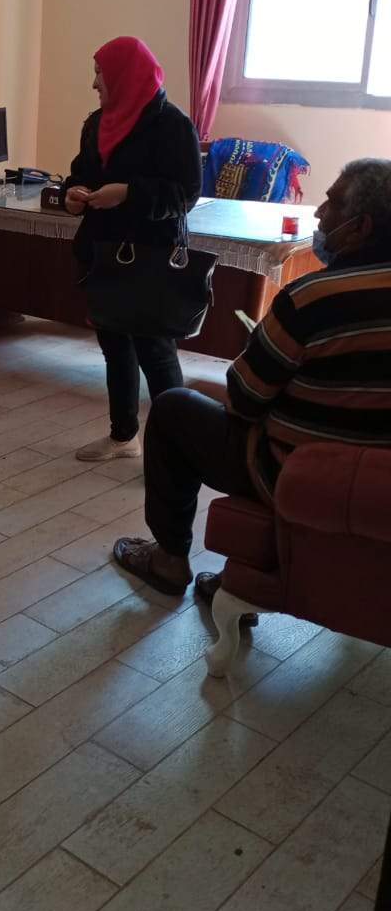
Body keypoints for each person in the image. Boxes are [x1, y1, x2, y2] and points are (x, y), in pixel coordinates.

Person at [112, 158, 391, 609]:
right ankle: (250, 575)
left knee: (172, 408)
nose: (320, 213)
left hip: (297, 473)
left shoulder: (312, 298)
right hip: (382, 485)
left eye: (333, 203)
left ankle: (168, 559)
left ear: (361, 227)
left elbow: (244, 398)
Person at [64, 36, 202, 462]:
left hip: (151, 257)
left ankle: (178, 453)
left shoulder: (172, 125)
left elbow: (186, 194)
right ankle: (123, 436)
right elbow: (80, 174)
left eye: (100, 74)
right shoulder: (97, 123)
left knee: (155, 355)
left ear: (125, 76)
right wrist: (74, 193)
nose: (94, 84)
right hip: (104, 253)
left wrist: (128, 193)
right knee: (115, 347)